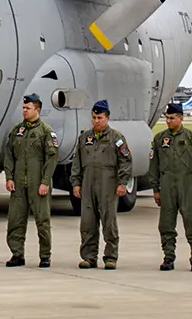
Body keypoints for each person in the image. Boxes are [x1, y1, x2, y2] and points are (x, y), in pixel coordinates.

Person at [69, 99, 133, 270]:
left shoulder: (117, 138)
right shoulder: (85, 138)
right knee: (87, 223)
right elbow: (77, 162)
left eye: (100, 118)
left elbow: (126, 162)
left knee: (109, 221)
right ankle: (89, 257)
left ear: (107, 118)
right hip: (88, 183)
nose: (96, 121)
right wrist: (76, 183)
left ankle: (110, 257)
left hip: (108, 184)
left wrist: (122, 183)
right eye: (94, 118)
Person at [148, 101, 192, 272]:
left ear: (181, 118)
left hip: (187, 185)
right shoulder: (160, 139)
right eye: (166, 118)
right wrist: (156, 189)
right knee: (166, 225)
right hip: (167, 185)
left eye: (172, 118)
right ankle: (168, 257)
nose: (168, 121)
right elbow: (154, 165)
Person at [3, 93, 60, 268]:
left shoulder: (46, 132)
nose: (25, 111)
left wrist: (45, 182)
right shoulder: (17, 131)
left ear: (38, 109)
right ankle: (17, 254)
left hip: (38, 183)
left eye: (28, 108)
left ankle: (44, 255)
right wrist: (9, 177)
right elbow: (10, 155)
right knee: (15, 220)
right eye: (24, 108)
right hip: (19, 183)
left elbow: (52, 158)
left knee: (42, 221)